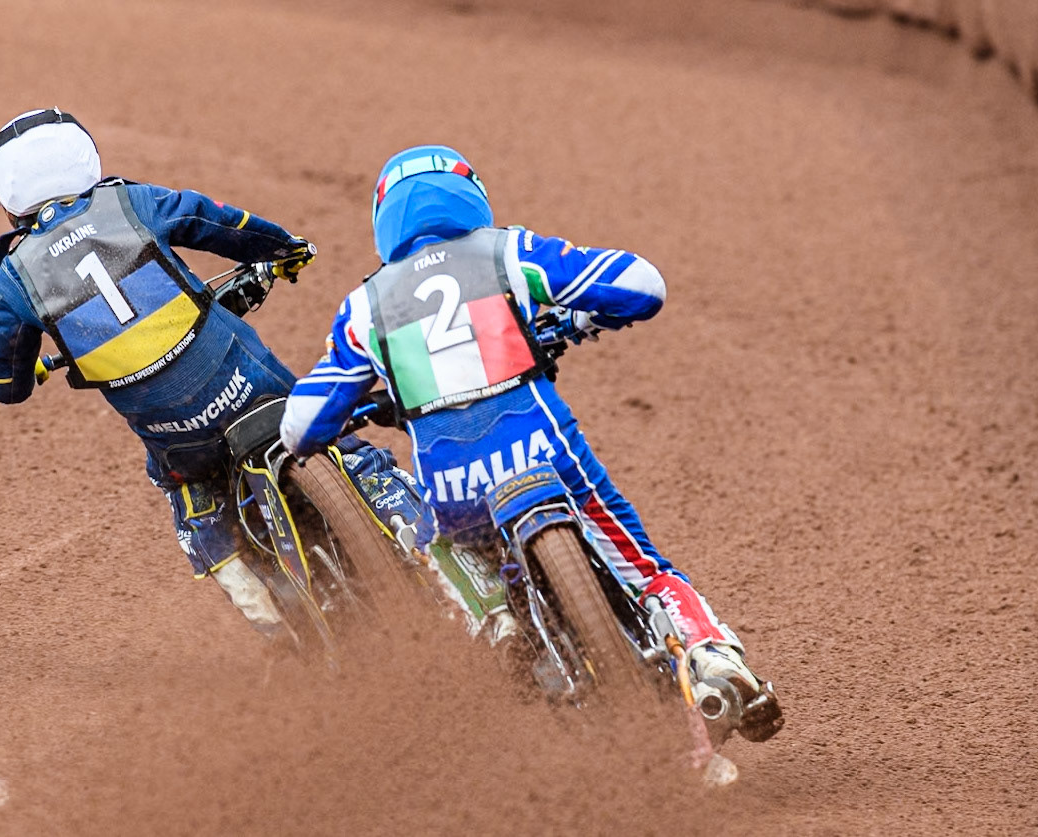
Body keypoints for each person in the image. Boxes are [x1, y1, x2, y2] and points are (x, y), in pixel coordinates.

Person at [278, 144, 783, 742]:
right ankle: (713, 657)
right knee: (646, 570)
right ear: (470, 194)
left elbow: (301, 426)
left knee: (433, 541)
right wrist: (566, 318)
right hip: (546, 454)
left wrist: (374, 396)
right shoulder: (505, 252)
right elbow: (643, 287)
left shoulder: (365, 307)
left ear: (385, 218)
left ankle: (495, 620)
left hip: (456, 490)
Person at [0, 108, 422, 643]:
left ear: (7, 200)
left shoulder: (13, 278)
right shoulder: (131, 201)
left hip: (177, 439)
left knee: (191, 503)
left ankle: (266, 613)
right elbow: (219, 222)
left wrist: (36, 366)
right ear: (86, 162)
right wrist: (282, 249)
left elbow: (5, 386)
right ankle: (414, 528)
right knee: (339, 443)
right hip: (250, 386)